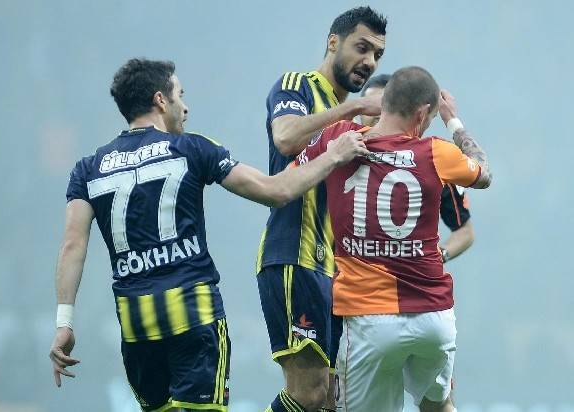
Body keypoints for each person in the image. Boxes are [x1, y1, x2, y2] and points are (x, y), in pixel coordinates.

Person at [48, 58, 368, 412]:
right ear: (160, 100)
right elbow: (276, 191)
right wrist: (334, 156)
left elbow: (73, 245)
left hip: (136, 326)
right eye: (179, 95)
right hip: (193, 316)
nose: (185, 107)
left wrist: (64, 323)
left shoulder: (88, 168)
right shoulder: (191, 148)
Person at [295, 66, 492, 412]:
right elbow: (484, 173)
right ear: (422, 113)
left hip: (368, 318)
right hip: (434, 317)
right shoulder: (437, 152)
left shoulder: (339, 138)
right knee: (439, 406)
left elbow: (290, 175)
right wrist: (453, 122)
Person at [257, 7, 387, 411]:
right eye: (362, 48)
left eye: (377, 55)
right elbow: (285, 137)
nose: (369, 61)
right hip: (294, 254)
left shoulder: (358, 124)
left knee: (329, 399)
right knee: (309, 393)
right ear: (334, 42)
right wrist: (351, 109)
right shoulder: (297, 85)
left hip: (333, 270)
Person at [360, 74, 475, 262]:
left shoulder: (433, 161)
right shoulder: (340, 151)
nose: (378, 113)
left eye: (386, 105)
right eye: (371, 105)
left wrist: (434, 259)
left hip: (407, 277)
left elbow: (465, 231)